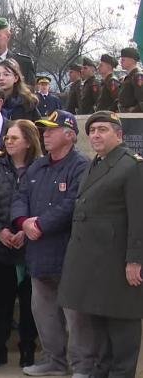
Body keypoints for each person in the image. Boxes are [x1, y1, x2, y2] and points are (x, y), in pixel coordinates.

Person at [9, 110, 94, 378]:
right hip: (38, 255)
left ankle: (82, 366)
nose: (45, 134)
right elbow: (19, 196)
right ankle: (54, 362)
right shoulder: (37, 166)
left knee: (76, 317)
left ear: (69, 135)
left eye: (52, 130)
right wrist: (23, 222)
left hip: (68, 253)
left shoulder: (81, 166)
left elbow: (72, 204)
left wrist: (40, 225)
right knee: (44, 313)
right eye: (44, 129)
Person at [59, 111, 143, 378]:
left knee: (122, 330)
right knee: (100, 335)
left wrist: (135, 260)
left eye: (103, 129)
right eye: (92, 130)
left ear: (119, 134)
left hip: (117, 263)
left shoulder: (131, 166)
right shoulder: (97, 162)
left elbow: (138, 217)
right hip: (94, 264)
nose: (95, 134)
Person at [0, 119, 42, 368]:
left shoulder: (40, 167)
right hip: (0, 247)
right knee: (0, 303)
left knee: (30, 305)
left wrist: (26, 230)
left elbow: (45, 203)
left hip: (31, 246)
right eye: (7, 137)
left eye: (14, 138)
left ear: (28, 140)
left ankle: (28, 349)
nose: (8, 141)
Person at [118, 47, 142, 112]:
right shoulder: (128, 77)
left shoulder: (138, 76)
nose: (121, 62)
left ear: (132, 60)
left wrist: (131, 111)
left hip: (134, 119)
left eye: (123, 60)